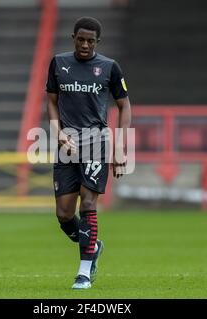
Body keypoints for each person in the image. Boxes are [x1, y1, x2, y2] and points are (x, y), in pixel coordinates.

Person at [46, 17, 132, 289]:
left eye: (90, 41)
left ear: (98, 42)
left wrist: (119, 146)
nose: (85, 45)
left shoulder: (109, 67)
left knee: (89, 203)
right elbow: (51, 101)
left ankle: (83, 273)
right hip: (67, 145)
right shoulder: (58, 64)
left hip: (96, 141)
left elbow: (124, 106)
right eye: (80, 39)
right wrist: (58, 133)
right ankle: (93, 245)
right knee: (63, 214)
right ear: (73, 38)